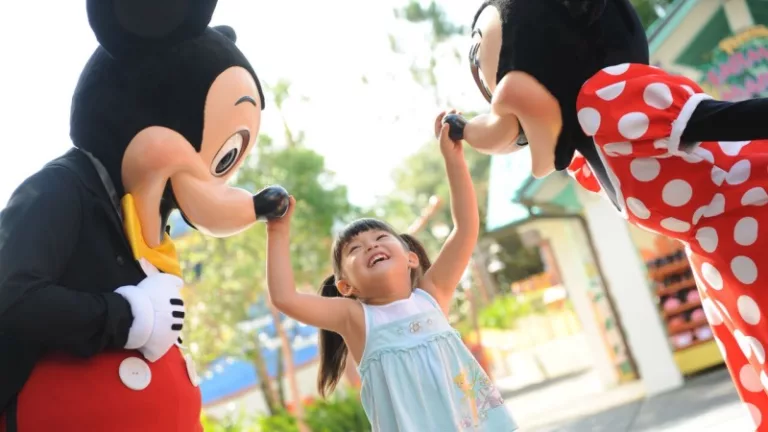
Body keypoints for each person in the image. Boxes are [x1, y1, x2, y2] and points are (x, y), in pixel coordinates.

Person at [445, 1, 768, 428]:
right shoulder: (587, 143)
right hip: (718, 249)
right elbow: (505, 127)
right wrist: (460, 132)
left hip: (749, 213)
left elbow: (719, 121)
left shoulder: (609, 98)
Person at [266, 111, 518, 431]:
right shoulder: (356, 318)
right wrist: (277, 230)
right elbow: (285, 298)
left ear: (411, 258)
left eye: (381, 237)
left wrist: (453, 156)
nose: (371, 245)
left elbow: (466, 227)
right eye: (355, 249)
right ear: (346, 287)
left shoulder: (431, 295)